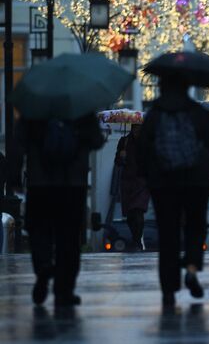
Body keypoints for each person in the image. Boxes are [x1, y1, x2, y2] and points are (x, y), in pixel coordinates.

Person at [137, 77, 209, 308]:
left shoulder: (154, 113)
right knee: (195, 227)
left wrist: (149, 177)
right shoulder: (196, 112)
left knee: (168, 234)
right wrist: (208, 175)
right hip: (196, 181)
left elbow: (142, 149)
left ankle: (168, 289)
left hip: (163, 183)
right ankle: (191, 269)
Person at [12, 114, 105, 307]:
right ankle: (65, 290)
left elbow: (18, 142)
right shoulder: (81, 108)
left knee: (40, 231)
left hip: (40, 182)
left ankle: (43, 268)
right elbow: (96, 140)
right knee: (69, 237)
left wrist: (14, 176)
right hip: (72, 182)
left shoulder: (35, 108)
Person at [114, 124, 150, 251]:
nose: (137, 131)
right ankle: (136, 238)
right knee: (130, 216)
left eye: (139, 129)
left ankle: (137, 241)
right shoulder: (124, 141)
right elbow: (117, 162)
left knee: (138, 211)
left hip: (141, 181)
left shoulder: (147, 142)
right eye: (135, 128)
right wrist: (121, 155)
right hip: (127, 182)